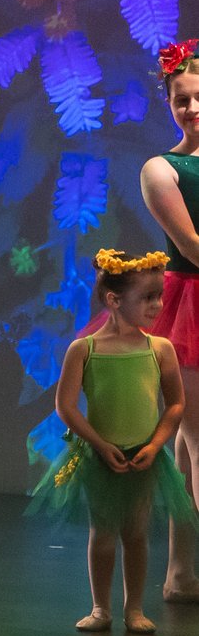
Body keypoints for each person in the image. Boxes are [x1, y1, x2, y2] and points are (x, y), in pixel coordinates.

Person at [28, 249, 194, 633]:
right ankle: (100, 608)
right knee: (102, 535)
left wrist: (154, 445)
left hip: (144, 457)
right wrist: (100, 446)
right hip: (100, 457)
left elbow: (175, 405)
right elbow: (66, 407)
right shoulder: (84, 350)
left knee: (136, 535)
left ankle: (134, 609)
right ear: (114, 300)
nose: (157, 305)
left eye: (158, 296)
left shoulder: (160, 349)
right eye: (147, 297)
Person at [134, 38, 199, 600]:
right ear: (169, 103)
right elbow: (193, 247)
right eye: (182, 100)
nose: (193, 108)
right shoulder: (162, 169)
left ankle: (180, 572)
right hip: (189, 310)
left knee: (186, 445)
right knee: (197, 438)